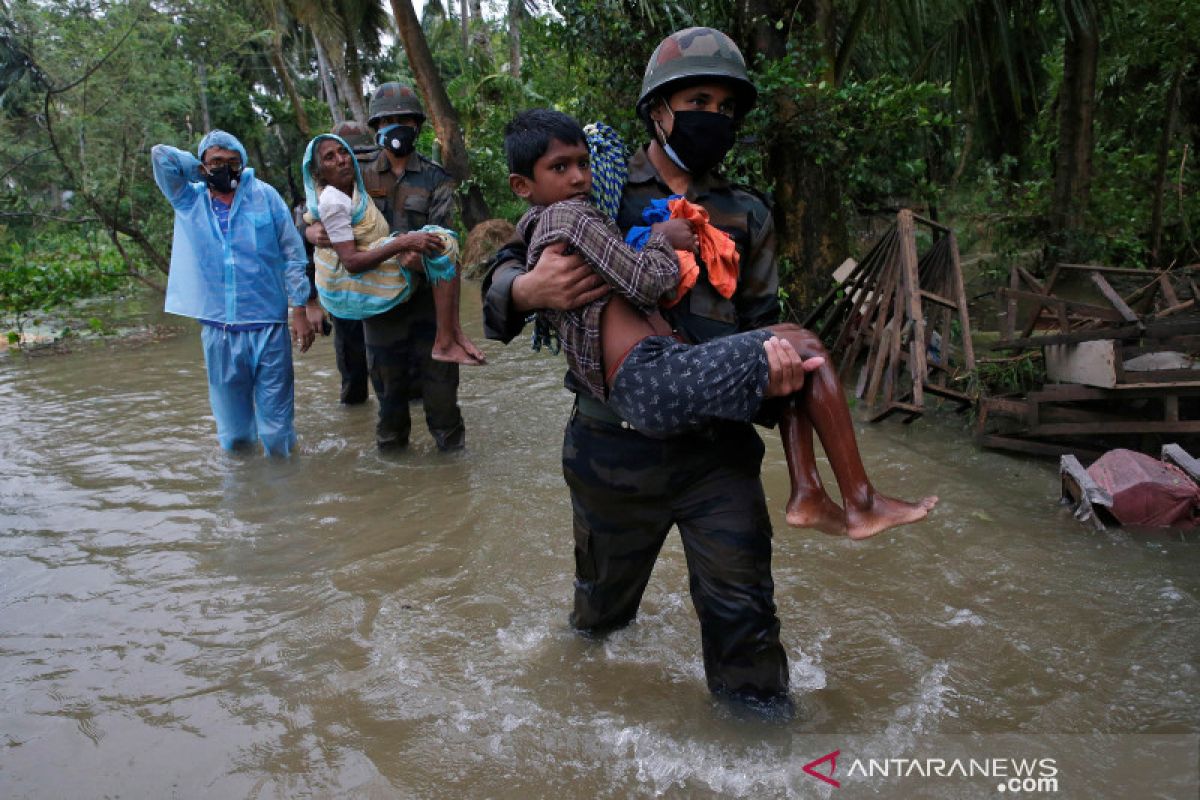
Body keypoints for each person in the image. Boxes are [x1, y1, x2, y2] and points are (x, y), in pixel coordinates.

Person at [483, 29, 936, 705]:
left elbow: (759, 328)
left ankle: (763, 756)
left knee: (746, 626)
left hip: (716, 457)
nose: (714, 118)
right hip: (612, 452)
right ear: (658, 111)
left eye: (727, 107)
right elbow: (505, 271)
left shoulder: (745, 210)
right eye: (699, 100)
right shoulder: (597, 188)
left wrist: (776, 387)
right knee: (599, 619)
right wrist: (523, 291)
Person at [504, 107, 936, 533]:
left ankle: (810, 493)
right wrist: (660, 239)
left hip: (648, 389)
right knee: (807, 349)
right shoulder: (576, 214)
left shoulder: (539, 225)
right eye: (560, 167)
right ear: (523, 184)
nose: (579, 177)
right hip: (648, 382)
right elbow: (644, 283)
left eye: (582, 163)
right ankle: (860, 502)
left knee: (786, 348)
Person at [307, 83, 471, 451]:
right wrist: (312, 227)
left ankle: (453, 480)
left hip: (427, 302)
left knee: (442, 399)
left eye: (405, 120)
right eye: (389, 120)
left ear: (417, 125)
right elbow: (313, 201)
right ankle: (392, 482)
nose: (397, 127)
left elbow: (446, 237)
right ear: (376, 124)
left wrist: (421, 258)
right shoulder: (356, 170)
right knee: (389, 404)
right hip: (378, 307)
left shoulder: (436, 178)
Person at [152, 129, 321, 457]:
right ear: (203, 165)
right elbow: (161, 155)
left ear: (243, 165)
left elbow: (292, 253)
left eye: (233, 162)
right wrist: (199, 172)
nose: (225, 168)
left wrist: (299, 307)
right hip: (219, 331)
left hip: (269, 329)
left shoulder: (265, 196)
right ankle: (245, 501)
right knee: (235, 438)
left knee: (277, 434)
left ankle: (288, 498)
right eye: (216, 162)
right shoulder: (190, 199)